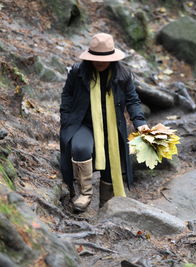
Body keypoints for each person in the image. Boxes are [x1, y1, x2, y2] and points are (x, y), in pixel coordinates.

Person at [59, 33, 149, 211]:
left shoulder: (123, 76)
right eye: (96, 59)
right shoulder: (78, 73)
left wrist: (140, 122)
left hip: (112, 127)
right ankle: (85, 194)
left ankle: (106, 205)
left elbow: (133, 100)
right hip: (83, 123)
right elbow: (67, 95)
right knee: (80, 148)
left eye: (105, 59)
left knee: (110, 163)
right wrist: (66, 117)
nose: (100, 63)